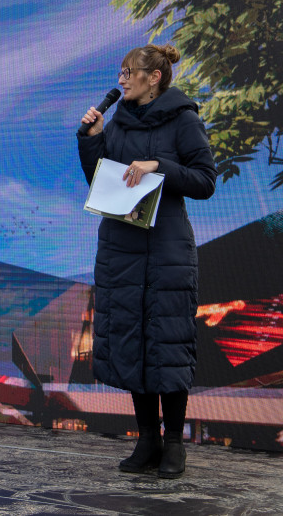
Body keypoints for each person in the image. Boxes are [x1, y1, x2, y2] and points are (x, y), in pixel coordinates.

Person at [78, 44, 216, 479]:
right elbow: (103, 183)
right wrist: (93, 140)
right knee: (133, 342)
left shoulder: (183, 119)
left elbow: (205, 180)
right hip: (121, 248)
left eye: (128, 72)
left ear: (153, 77)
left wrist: (160, 165)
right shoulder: (117, 121)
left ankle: (174, 444)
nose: (121, 79)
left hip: (167, 250)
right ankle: (147, 440)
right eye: (120, 72)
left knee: (166, 344)